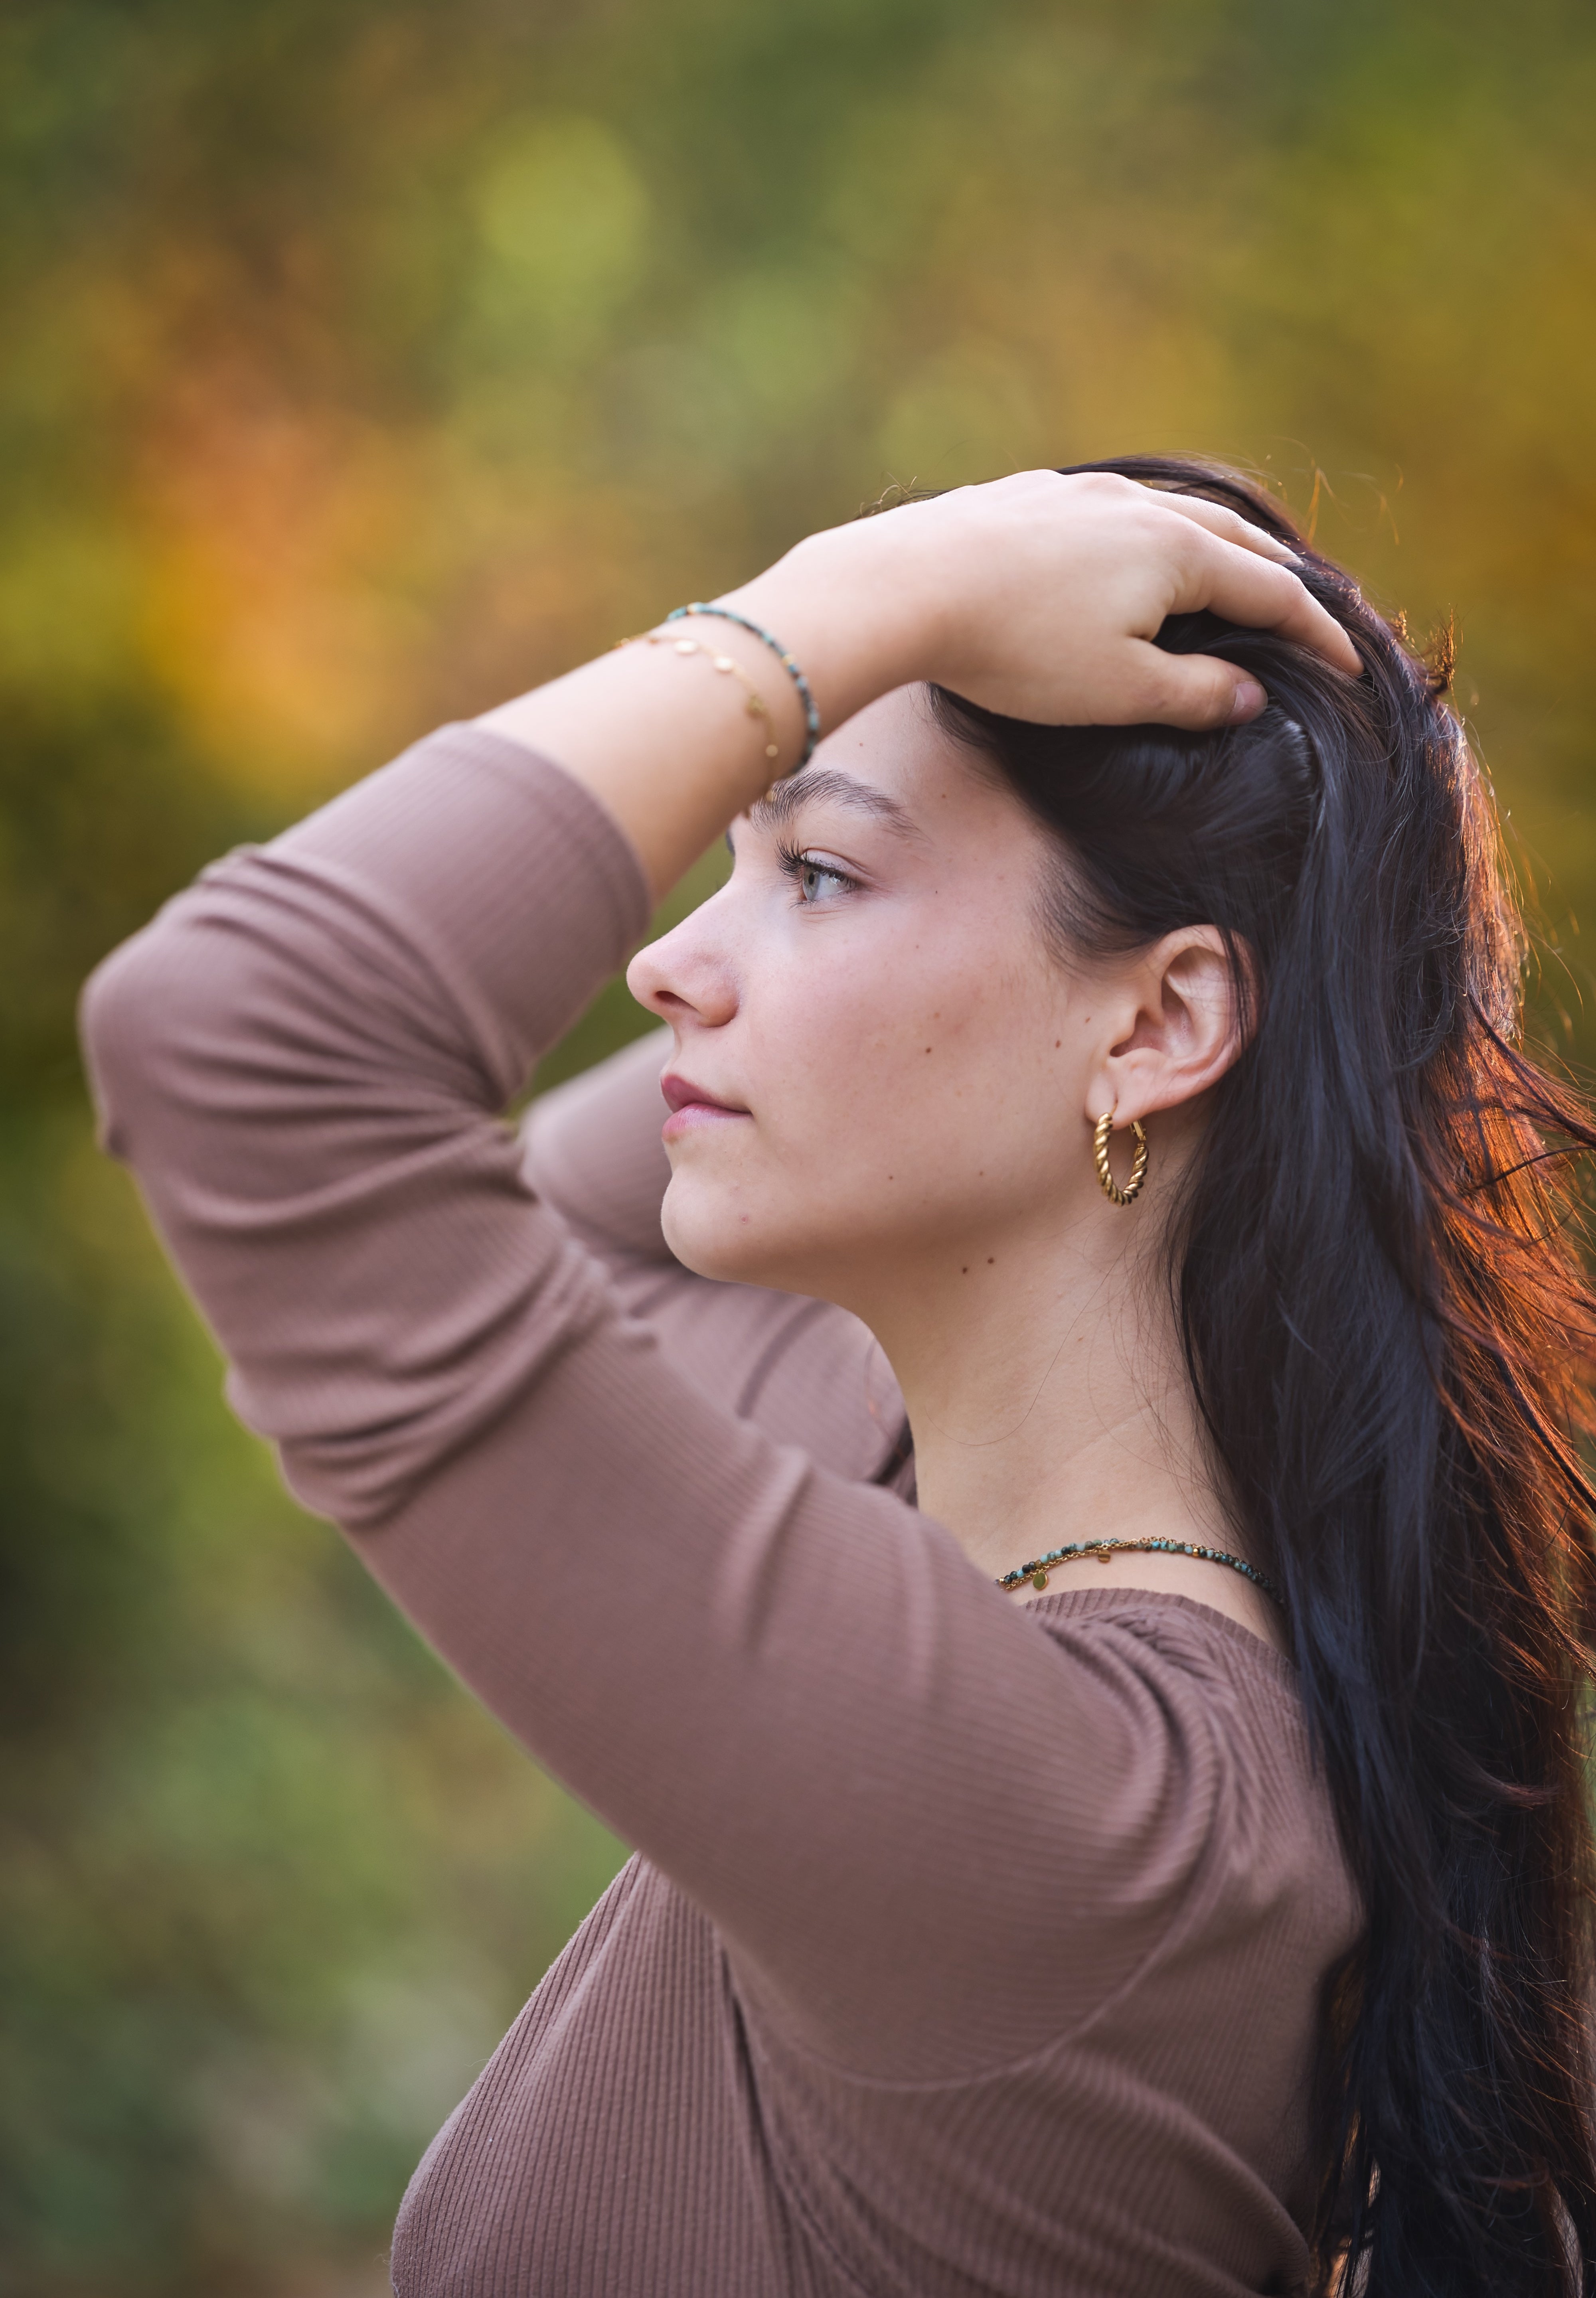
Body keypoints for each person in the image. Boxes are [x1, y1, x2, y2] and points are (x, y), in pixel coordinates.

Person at [80, 460, 1596, 2297]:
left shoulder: (1074, 1828)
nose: (659, 964)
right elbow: (559, 1221)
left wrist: (870, 588)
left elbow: (243, 1045)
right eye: (732, 863)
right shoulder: (909, 1478)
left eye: (813, 872)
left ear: (1161, 1023)